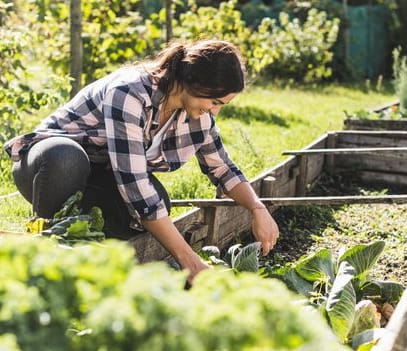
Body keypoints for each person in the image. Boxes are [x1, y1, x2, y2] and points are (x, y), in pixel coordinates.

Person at [4, 39, 279, 283]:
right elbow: (134, 185)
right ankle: (47, 253)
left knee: (158, 202)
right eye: (215, 101)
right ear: (197, 84)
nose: (215, 110)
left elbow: (221, 167)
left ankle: (92, 258)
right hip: (47, 164)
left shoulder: (198, 116)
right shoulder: (130, 92)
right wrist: (189, 259)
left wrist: (257, 208)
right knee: (69, 159)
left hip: (99, 174)